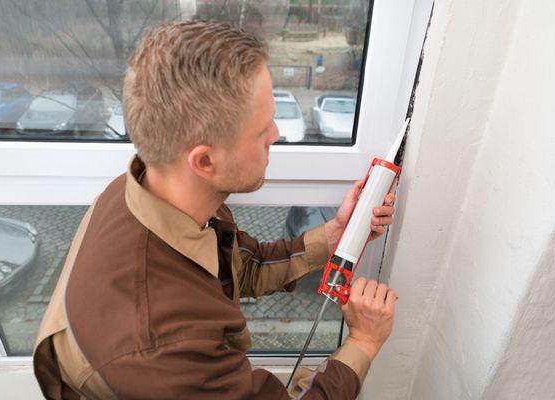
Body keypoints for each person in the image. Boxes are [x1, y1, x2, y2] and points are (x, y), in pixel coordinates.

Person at [33, 21, 398, 399]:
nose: (276, 133)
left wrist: (333, 234)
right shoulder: (163, 349)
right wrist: (364, 341)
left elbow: (244, 266)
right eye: (261, 130)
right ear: (204, 161)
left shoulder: (154, 192)